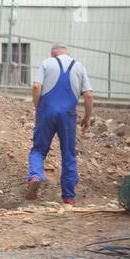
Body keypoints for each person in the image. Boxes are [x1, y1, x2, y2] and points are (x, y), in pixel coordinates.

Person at [26, 42, 93, 204]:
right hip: (68, 115)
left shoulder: (46, 64)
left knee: (38, 150)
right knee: (68, 155)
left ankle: (35, 176)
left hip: (46, 112)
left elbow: (36, 86)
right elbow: (88, 96)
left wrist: (37, 106)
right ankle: (68, 197)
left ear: (53, 54)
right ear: (67, 54)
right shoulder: (79, 66)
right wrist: (87, 117)